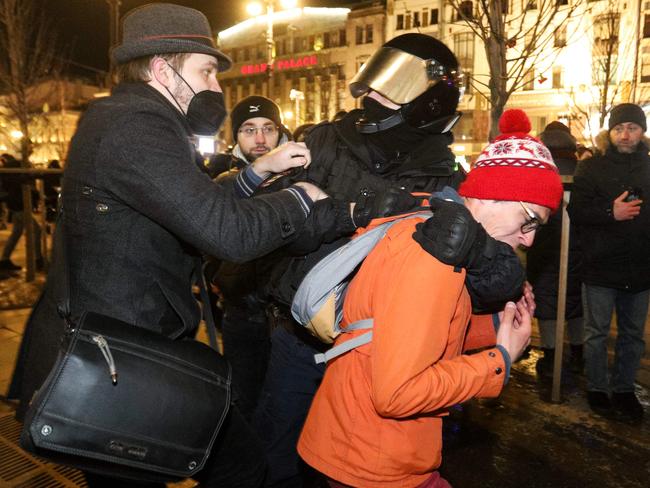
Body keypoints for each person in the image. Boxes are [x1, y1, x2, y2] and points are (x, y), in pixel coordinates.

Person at [7, 4, 357, 487]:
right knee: (235, 467)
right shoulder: (136, 127)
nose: (215, 87)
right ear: (160, 69)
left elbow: (189, 208)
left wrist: (256, 174)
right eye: (207, 70)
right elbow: (226, 233)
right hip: (119, 361)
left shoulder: (134, 118)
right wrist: (301, 198)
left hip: (126, 347)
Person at [253, 34, 527, 487]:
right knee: (275, 453)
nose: (372, 96)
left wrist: (478, 251)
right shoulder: (322, 141)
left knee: (350, 466)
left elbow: (488, 282)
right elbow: (268, 226)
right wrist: (357, 208)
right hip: (300, 334)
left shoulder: (447, 177)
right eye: (374, 83)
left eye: (392, 87)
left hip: (377, 354)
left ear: (430, 100)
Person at [297, 109, 563, 488]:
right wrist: (499, 361)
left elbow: (411, 331)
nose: (530, 239)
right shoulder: (438, 254)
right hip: (373, 462)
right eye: (529, 220)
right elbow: (399, 393)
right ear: (491, 195)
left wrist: (494, 329)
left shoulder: (435, 223)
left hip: (361, 446)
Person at [208, 95, 295, 421]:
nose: (259, 139)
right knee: (243, 403)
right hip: (242, 314)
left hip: (291, 320)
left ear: (279, 131)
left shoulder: (303, 173)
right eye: (248, 129)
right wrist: (215, 275)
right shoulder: (225, 182)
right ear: (236, 136)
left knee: (286, 411)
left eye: (267, 128)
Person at [567, 103, 650, 422]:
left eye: (632, 127)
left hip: (641, 267)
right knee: (597, 332)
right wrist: (609, 212)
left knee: (633, 335)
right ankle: (598, 388)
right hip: (601, 266)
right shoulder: (592, 167)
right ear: (609, 132)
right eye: (619, 128)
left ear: (642, 132)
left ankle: (625, 390)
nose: (625, 134)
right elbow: (577, 212)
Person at [527, 121, 583, 377]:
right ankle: (579, 352)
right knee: (575, 301)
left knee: (547, 300)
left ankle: (550, 357)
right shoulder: (581, 169)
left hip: (544, 248)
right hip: (578, 247)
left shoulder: (539, 170)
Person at [0, 154, 43, 273]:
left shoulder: (8, 171)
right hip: (20, 206)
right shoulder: (15, 168)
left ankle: (4, 259)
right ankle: (38, 259)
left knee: (16, 232)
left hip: (15, 205)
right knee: (36, 230)